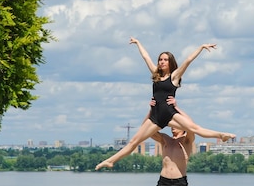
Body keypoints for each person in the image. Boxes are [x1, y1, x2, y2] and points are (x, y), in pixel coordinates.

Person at [96, 37, 234, 170]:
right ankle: (110, 161)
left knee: (194, 128)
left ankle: (221, 135)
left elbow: (188, 60)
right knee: (134, 141)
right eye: (160, 60)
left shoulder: (174, 77)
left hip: (169, 113)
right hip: (155, 116)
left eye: (165, 60)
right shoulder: (156, 75)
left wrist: (201, 47)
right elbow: (146, 57)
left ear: (170, 62)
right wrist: (138, 43)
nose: (162, 62)